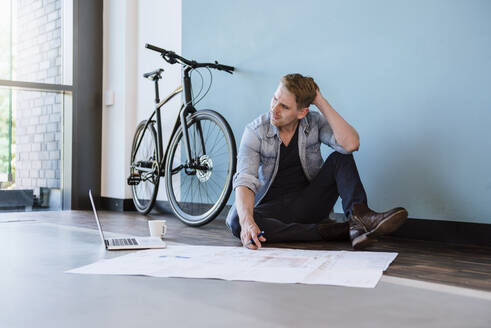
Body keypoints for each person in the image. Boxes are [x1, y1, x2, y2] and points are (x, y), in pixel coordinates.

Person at [226, 73, 408, 250]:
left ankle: (359, 218)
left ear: (302, 112)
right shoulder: (255, 131)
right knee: (237, 220)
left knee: (341, 157)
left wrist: (319, 101)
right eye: (274, 99)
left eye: (284, 106)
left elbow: (351, 144)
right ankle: (343, 230)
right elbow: (245, 180)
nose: (274, 109)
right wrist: (247, 222)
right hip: (272, 210)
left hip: (309, 203)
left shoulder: (313, 122)